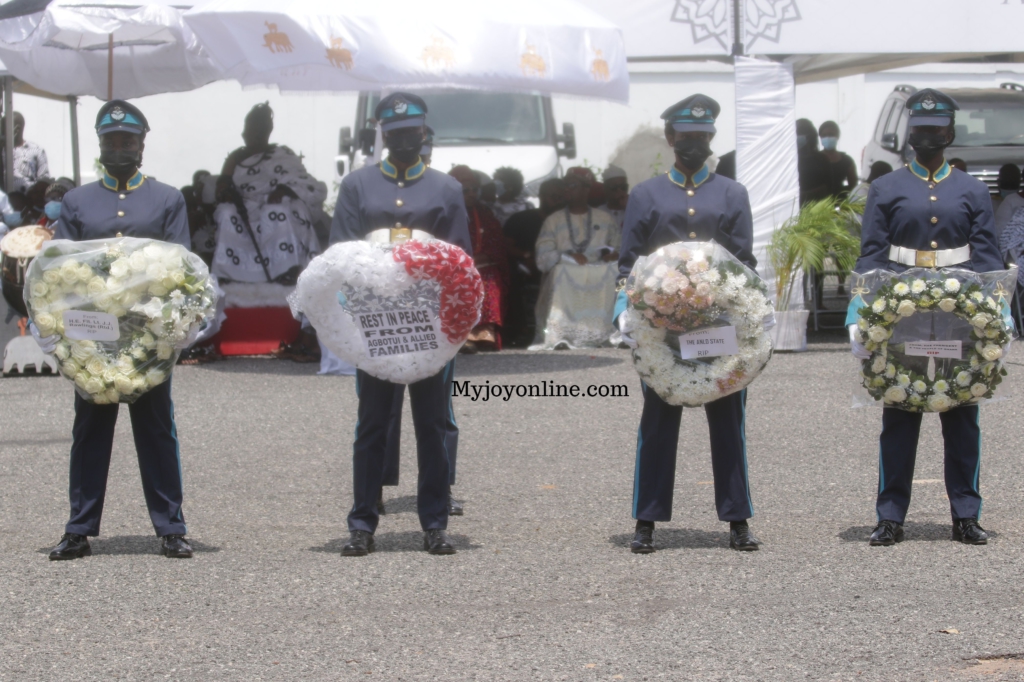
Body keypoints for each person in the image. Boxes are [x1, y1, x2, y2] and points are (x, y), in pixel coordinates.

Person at [30, 100, 196, 560]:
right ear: (100, 146)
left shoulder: (166, 198)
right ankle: (79, 528)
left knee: (157, 428)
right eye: (111, 141)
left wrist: (179, 322)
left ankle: (171, 526)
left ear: (142, 145)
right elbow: (61, 269)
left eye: (127, 141)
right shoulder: (79, 201)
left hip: (148, 334)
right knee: (90, 428)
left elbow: (183, 263)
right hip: (95, 333)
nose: (119, 148)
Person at [847, 88, 1002, 547]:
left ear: (949, 134)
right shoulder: (887, 187)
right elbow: (872, 253)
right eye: (920, 130)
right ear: (910, 135)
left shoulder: (971, 189)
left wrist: (995, 317)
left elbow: (987, 257)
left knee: (962, 415)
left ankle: (966, 514)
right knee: (900, 411)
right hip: (903, 312)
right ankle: (891, 514)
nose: (927, 137)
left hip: (959, 314)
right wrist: (861, 312)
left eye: (936, 130)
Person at [614, 93, 761, 554]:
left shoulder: (732, 193)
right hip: (664, 328)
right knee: (657, 423)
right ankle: (646, 519)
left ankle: (737, 519)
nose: (694, 145)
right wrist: (627, 315)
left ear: (711, 139)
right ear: (671, 138)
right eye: (686, 137)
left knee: (728, 420)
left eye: (702, 137)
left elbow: (744, 261)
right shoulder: (647, 194)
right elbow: (629, 263)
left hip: (719, 325)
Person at [331, 92, 471, 557]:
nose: (405, 141)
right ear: (383, 136)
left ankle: (434, 520)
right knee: (372, 423)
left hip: (428, 329)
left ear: (424, 133)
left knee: (431, 424)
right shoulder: (357, 186)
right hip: (377, 327)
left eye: (412, 133)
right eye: (395, 134)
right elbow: (341, 255)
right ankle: (362, 522)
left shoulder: (445, 189)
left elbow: (461, 263)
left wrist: (453, 325)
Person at [212, 102, 326, 285]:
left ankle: (286, 268)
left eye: (259, 130)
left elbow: (302, 182)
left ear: (267, 131)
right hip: (246, 205)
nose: (252, 134)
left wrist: (283, 189)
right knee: (226, 213)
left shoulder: (282, 154)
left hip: (281, 202)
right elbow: (222, 186)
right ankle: (231, 273)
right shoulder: (236, 157)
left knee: (276, 211)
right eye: (250, 129)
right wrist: (227, 194)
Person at [531, 167, 620, 349]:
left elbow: (618, 247)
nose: (566, 190)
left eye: (572, 185)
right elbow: (543, 256)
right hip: (565, 269)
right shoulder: (553, 220)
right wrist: (567, 255)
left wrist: (614, 253)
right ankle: (563, 334)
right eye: (565, 185)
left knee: (615, 270)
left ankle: (604, 333)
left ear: (587, 189)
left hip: (599, 269)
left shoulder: (605, 218)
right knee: (561, 271)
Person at [449, 165, 509, 352]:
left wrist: (484, 255)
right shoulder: (446, 213)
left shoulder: (484, 213)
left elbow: (496, 241)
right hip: (453, 266)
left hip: (482, 264)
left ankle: (484, 333)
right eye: (465, 190)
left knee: (489, 278)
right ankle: (463, 336)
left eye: (475, 190)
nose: (471, 194)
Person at [502, 178, 567, 346]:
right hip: (525, 265)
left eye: (561, 197)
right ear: (541, 196)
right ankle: (521, 329)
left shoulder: (569, 222)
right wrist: (526, 256)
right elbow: (505, 245)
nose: (558, 201)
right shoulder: (521, 218)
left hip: (561, 267)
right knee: (510, 276)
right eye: (554, 196)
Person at [1, 111, 49, 193]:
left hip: (28, 201)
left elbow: (44, 181)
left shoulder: (37, 151)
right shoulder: (1, 149)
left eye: (3, 131)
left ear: (17, 130)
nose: (1, 134)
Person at [818, 120, 858, 199]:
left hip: (841, 202)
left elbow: (853, 186)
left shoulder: (847, 160)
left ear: (837, 136)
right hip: (819, 203)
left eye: (831, 134)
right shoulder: (816, 159)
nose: (828, 137)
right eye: (824, 135)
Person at [796, 118, 831, 205]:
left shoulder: (821, 159)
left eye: (800, 133)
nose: (797, 136)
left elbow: (828, 187)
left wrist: (804, 195)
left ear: (809, 136)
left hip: (818, 206)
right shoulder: (791, 160)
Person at [993, 163, 1024, 239]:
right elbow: (1000, 235)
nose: (1009, 187)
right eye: (1006, 183)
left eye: (1013, 183)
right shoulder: (1010, 201)